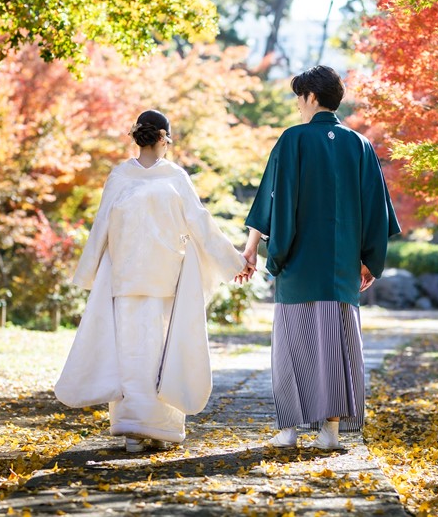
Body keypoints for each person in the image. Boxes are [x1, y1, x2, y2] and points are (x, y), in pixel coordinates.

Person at [55, 109, 248, 453]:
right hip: (165, 277)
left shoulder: (119, 176)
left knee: (131, 354)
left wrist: (88, 273)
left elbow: (101, 226)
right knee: (163, 354)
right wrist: (235, 261)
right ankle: (159, 430)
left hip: (125, 278)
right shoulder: (175, 177)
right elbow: (201, 225)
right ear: (163, 138)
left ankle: (132, 431)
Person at [237, 66, 400, 450]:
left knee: (294, 344)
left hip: (297, 266)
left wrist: (253, 249)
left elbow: (270, 199)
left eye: (298, 97)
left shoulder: (293, 140)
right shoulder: (359, 145)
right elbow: (377, 208)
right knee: (338, 347)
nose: (297, 106)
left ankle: (289, 430)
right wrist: (370, 260)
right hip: (342, 269)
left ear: (311, 97)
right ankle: (330, 431)